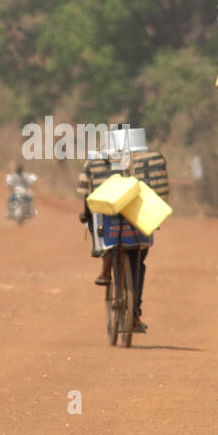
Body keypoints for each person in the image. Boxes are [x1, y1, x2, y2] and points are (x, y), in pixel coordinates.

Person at [77, 127, 168, 333]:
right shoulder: (145, 161)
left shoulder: (95, 161)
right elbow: (155, 193)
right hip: (137, 222)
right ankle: (135, 312)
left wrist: (85, 214)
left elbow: (86, 195)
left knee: (100, 231)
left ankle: (105, 264)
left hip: (107, 224)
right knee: (140, 262)